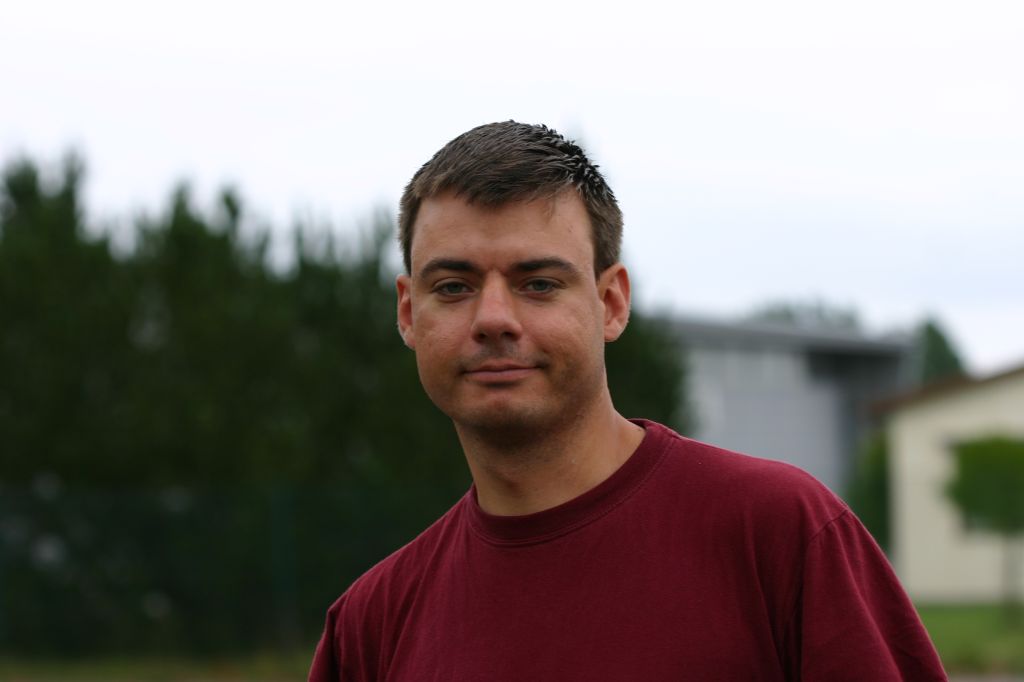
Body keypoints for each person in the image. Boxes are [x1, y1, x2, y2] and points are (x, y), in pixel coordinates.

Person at [308, 121, 946, 681]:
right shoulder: (372, 627)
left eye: (538, 283)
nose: (494, 318)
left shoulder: (781, 536)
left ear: (611, 303)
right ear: (408, 312)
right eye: (453, 286)